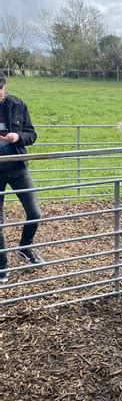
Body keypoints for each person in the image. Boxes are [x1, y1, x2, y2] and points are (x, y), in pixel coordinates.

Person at [0, 71, 43, 283]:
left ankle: (25, 248)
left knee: (35, 213)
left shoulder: (18, 105)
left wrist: (18, 137)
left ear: (4, 87)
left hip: (17, 166)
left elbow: (31, 134)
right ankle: (1, 265)